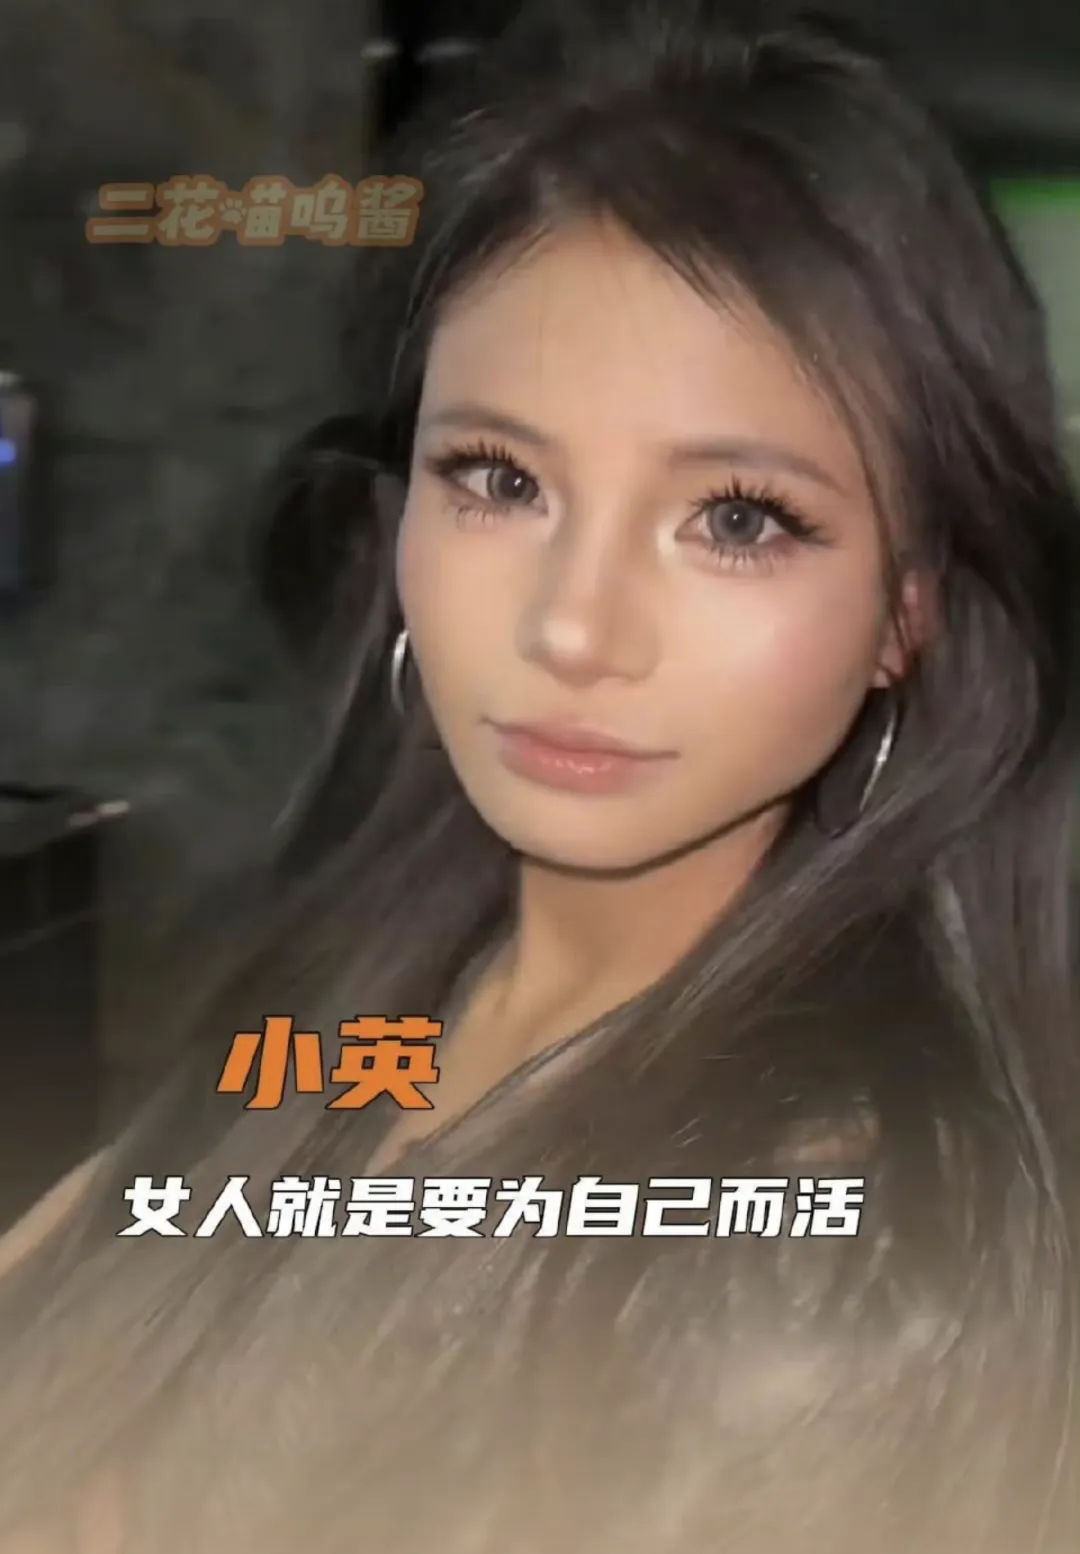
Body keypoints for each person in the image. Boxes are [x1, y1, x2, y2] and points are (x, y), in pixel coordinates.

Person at [1, 2, 1078, 1549]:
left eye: (739, 519)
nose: (573, 628)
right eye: (499, 479)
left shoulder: (814, 1278)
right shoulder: (385, 971)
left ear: (907, 612)